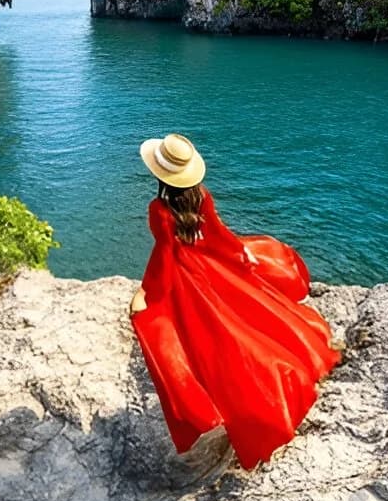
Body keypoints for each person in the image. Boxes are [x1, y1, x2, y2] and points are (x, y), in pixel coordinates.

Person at [129, 133, 341, 470]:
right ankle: (293, 363)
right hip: (211, 264)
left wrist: (147, 293)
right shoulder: (201, 195)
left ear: (160, 175)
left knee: (201, 340)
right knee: (245, 317)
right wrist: (237, 254)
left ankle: (220, 408)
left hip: (186, 275)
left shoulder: (159, 209)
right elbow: (217, 232)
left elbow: (164, 255)